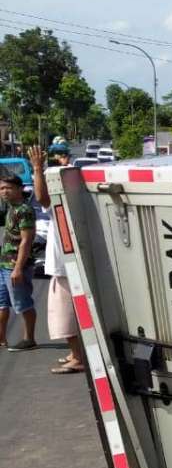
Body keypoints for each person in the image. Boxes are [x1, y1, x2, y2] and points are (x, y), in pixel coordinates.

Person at [31, 147, 84, 372]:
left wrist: (37, 169)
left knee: (64, 317)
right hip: (68, 267)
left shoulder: (63, 204)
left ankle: (78, 358)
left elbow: (43, 198)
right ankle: (76, 353)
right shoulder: (77, 201)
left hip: (64, 269)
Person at [0, 172, 37, 350]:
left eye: (8, 188)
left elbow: (26, 240)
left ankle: (29, 339)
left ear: (20, 189)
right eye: (1, 188)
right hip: (4, 265)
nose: (4, 191)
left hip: (16, 266)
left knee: (22, 304)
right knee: (2, 304)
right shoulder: (11, 208)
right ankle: (1, 339)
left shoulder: (24, 210)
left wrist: (18, 269)